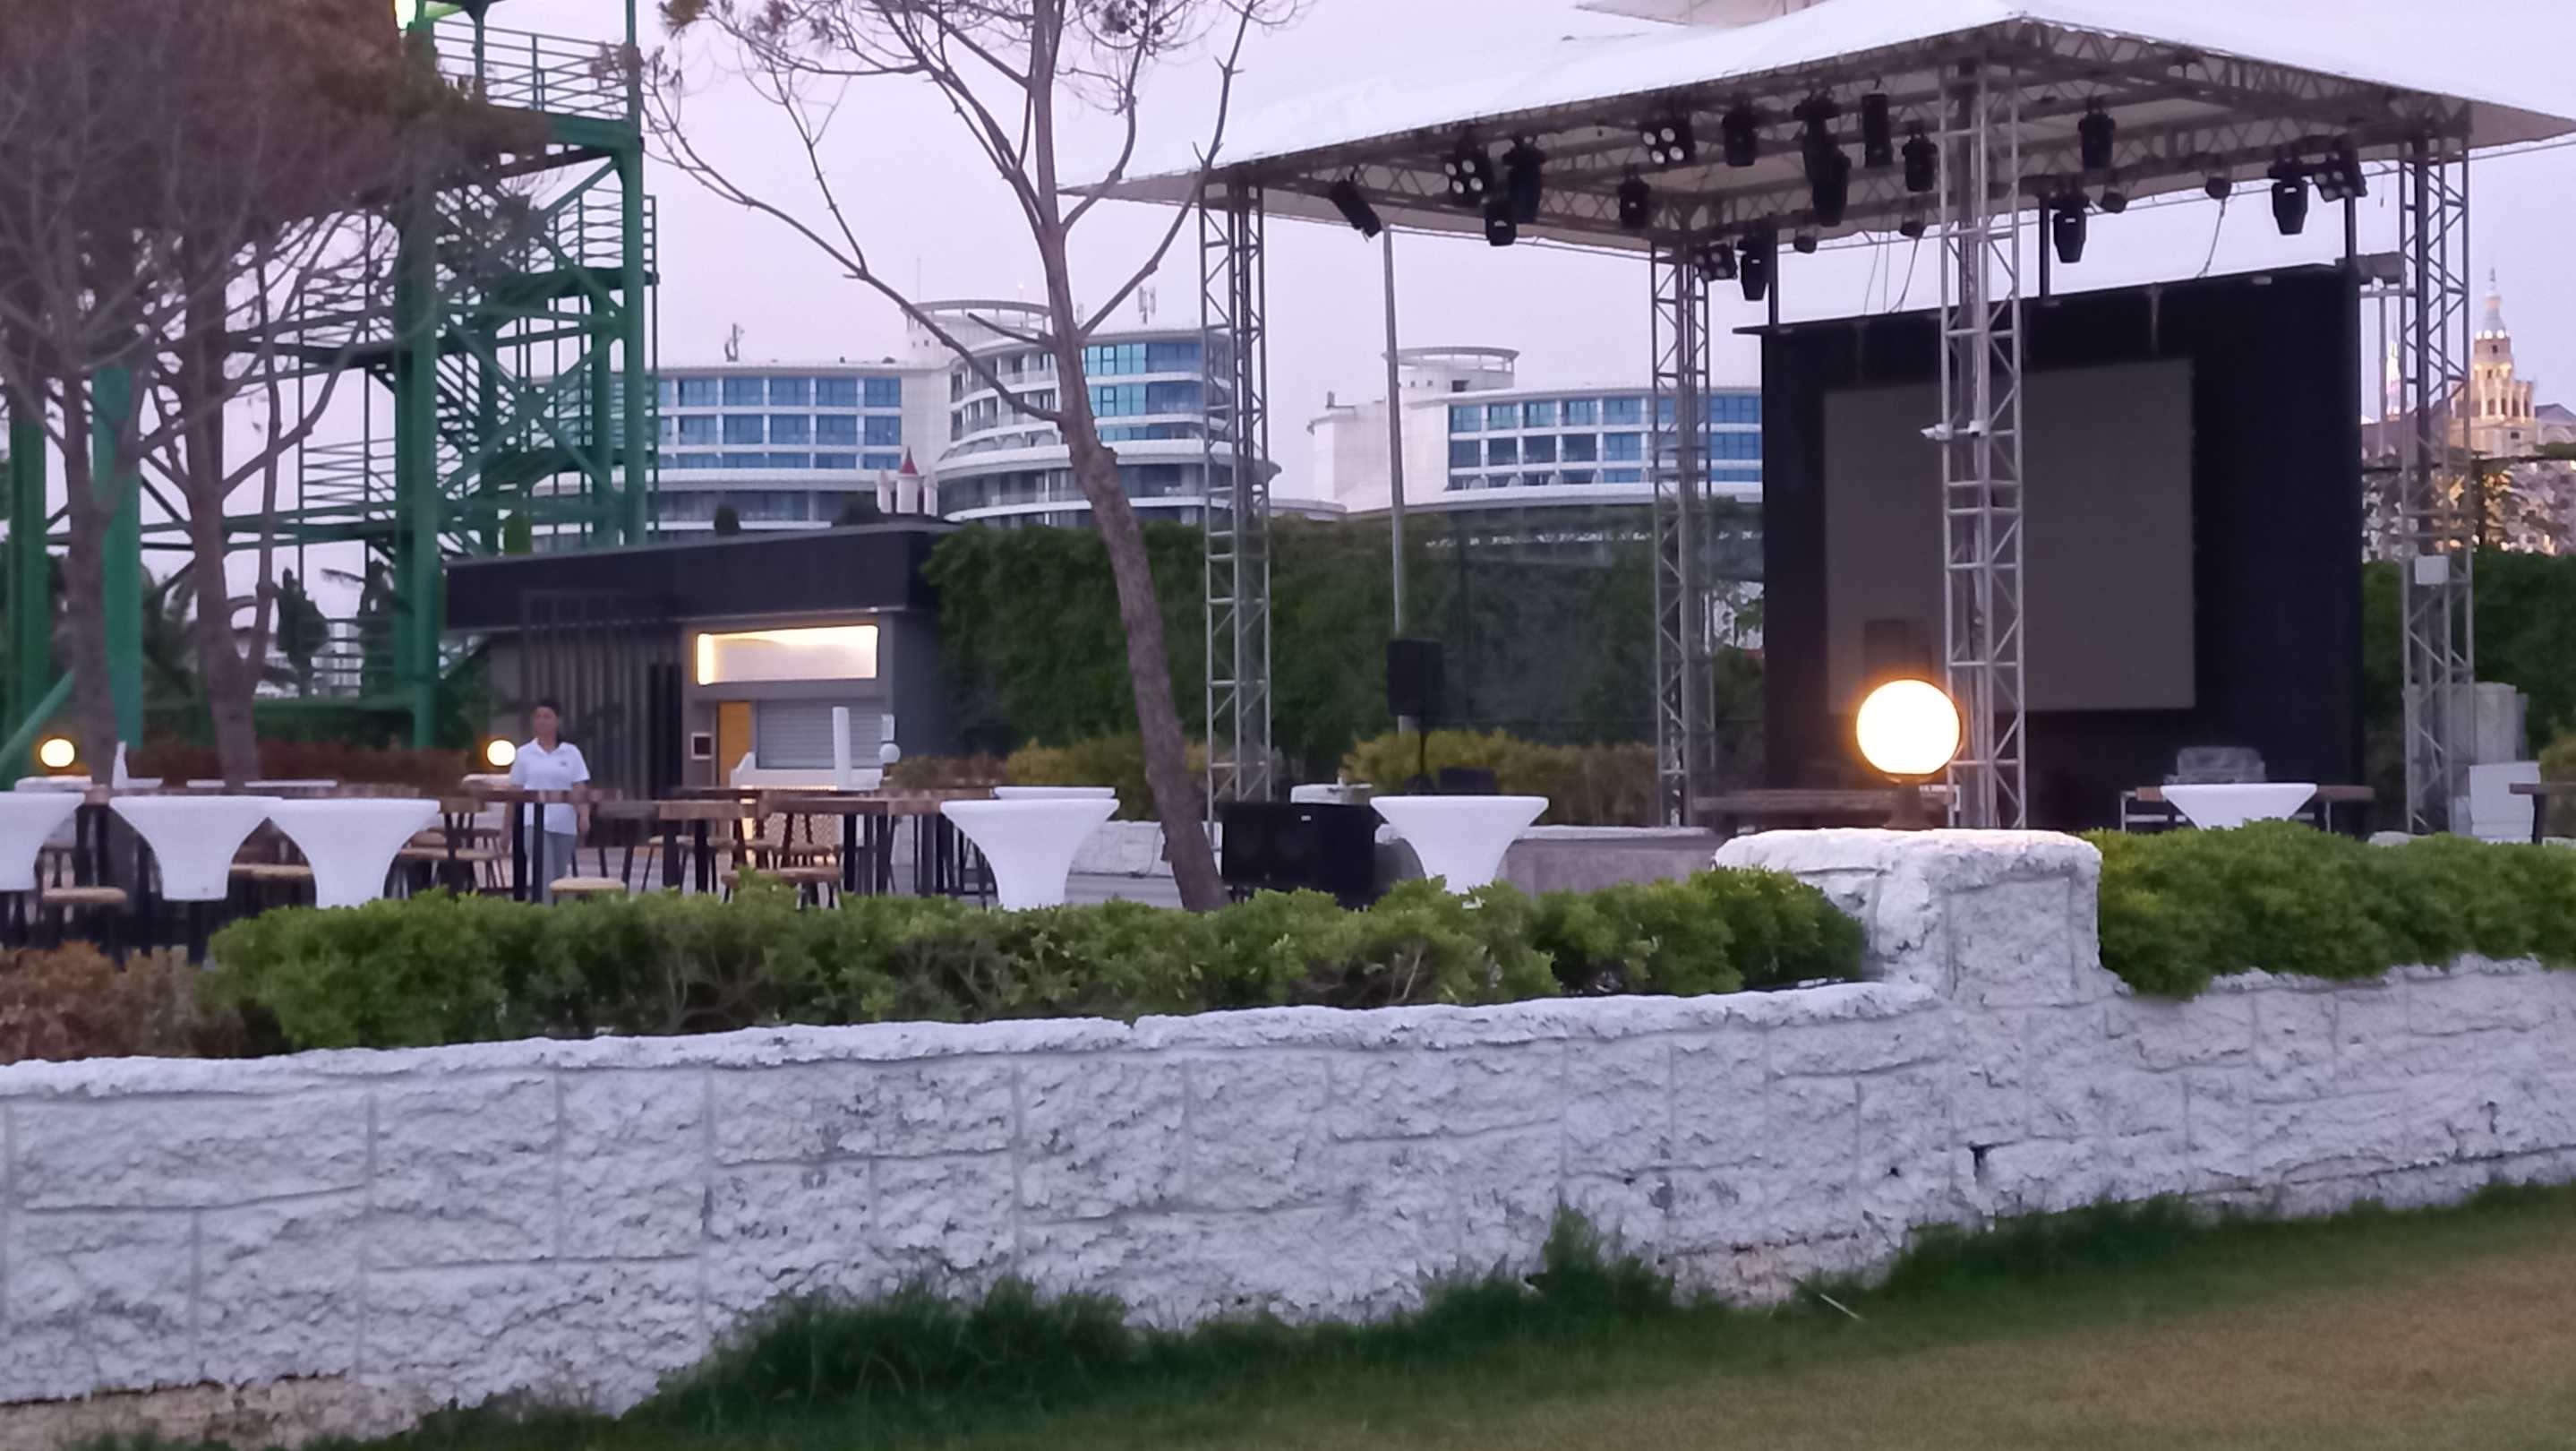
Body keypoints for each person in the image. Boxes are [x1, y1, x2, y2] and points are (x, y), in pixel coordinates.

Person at [507, 700, 589, 902]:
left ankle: (559, 913)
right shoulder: (524, 753)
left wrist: (584, 816)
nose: (542, 721)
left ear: (557, 721)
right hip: (534, 822)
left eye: (547, 717)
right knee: (544, 873)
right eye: (538, 717)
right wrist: (506, 829)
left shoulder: (571, 752)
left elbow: (579, 787)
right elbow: (514, 793)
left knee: (559, 876)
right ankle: (544, 913)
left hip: (564, 822)